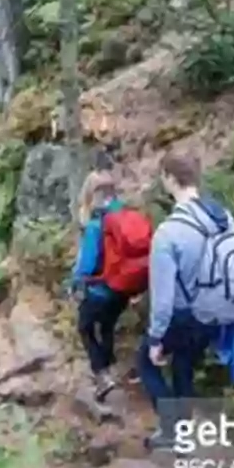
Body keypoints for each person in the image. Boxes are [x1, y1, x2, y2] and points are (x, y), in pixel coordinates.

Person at [139, 152, 234, 450]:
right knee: (184, 369)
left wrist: (155, 337)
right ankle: (183, 433)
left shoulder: (168, 232)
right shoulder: (222, 217)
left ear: (168, 178)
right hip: (212, 311)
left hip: (181, 314)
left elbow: (163, 298)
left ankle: (171, 431)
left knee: (146, 362)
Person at [69, 170, 153, 400]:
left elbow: (87, 264)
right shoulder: (127, 215)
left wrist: (75, 283)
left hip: (101, 288)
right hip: (125, 288)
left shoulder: (98, 223)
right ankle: (110, 367)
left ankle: (102, 374)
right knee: (106, 325)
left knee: (85, 328)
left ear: (91, 194)